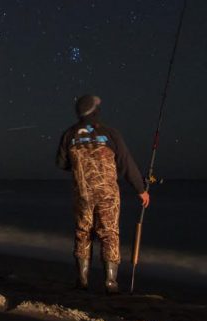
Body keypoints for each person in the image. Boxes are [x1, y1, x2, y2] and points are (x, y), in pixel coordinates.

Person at [56, 94, 150, 294]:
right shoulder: (110, 133)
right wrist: (141, 190)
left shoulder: (69, 134)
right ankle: (110, 283)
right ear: (95, 111)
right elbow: (126, 164)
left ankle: (82, 280)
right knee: (109, 234)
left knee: (83, 233)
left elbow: (61, 163)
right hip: (107, 195)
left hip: (82, 195)